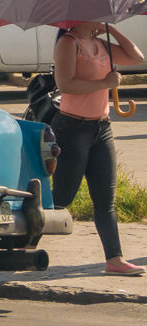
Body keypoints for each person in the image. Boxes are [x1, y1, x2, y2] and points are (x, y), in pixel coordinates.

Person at [51, 23, 146, 275]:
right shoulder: (68, 43)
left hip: (101, 128)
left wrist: (112, 31)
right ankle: (23, 243)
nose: (100, 17)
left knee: (105, 199)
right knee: (62, 198)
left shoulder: (101, 44)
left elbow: (137, 57)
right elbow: (66, 85)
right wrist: (104, 82)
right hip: (73, 127)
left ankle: (114, 259)